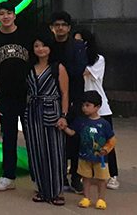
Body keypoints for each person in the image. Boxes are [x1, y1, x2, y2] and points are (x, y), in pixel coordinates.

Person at [0, 1, 31, 192]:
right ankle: (8, 176)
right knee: (8, 136)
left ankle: (38, 174)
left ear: (15, 15)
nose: (6, 16)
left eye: (9, 13)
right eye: (2, 14)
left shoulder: (26, 36)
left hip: (27, 94)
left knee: (31, 135)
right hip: (4, 94)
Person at [23, 36, 69, 206]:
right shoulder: (30, 68)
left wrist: (64, 115)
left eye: (44, 46)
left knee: (55, 151)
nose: (41, 49)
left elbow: (65, 93)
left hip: (53, 110)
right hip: (33, 111)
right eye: (37, 46)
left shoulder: (58, 68)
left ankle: (57, 191)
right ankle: (42, 189)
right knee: (37, 150)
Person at [48, 11, 87, 194]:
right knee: (58, 137)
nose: (60, 28)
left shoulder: (77, 46)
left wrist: (61, 71)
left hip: (75, 97)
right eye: (57, 25)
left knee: (76, 136)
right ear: (52, 28)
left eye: (63, 25)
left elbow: (79, 69)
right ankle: (60, 175)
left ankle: (76, 176)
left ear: (69, 28)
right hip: (53, 97)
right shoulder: (49, 46)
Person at [75, 28, 120, 189]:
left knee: (106, 142)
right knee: (86, 141)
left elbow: (83, 72)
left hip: (100, 108)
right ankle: (86, 173)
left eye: (79, 41)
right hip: (82, 107)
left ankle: (112, 174)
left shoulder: (97, 59)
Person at [61, 91, 117, 209]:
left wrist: (106, 150)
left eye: (88, 105)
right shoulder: (81, 121)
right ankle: (86, 197)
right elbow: (72, 132)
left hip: (100, 158)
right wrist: (64, 127)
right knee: (86, 178)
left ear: (97, 107)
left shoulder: (104, 124)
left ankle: (101, 199)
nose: (84, 108)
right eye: (83, 105)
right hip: (84, 156)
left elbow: (112, 140)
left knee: (101, 179)